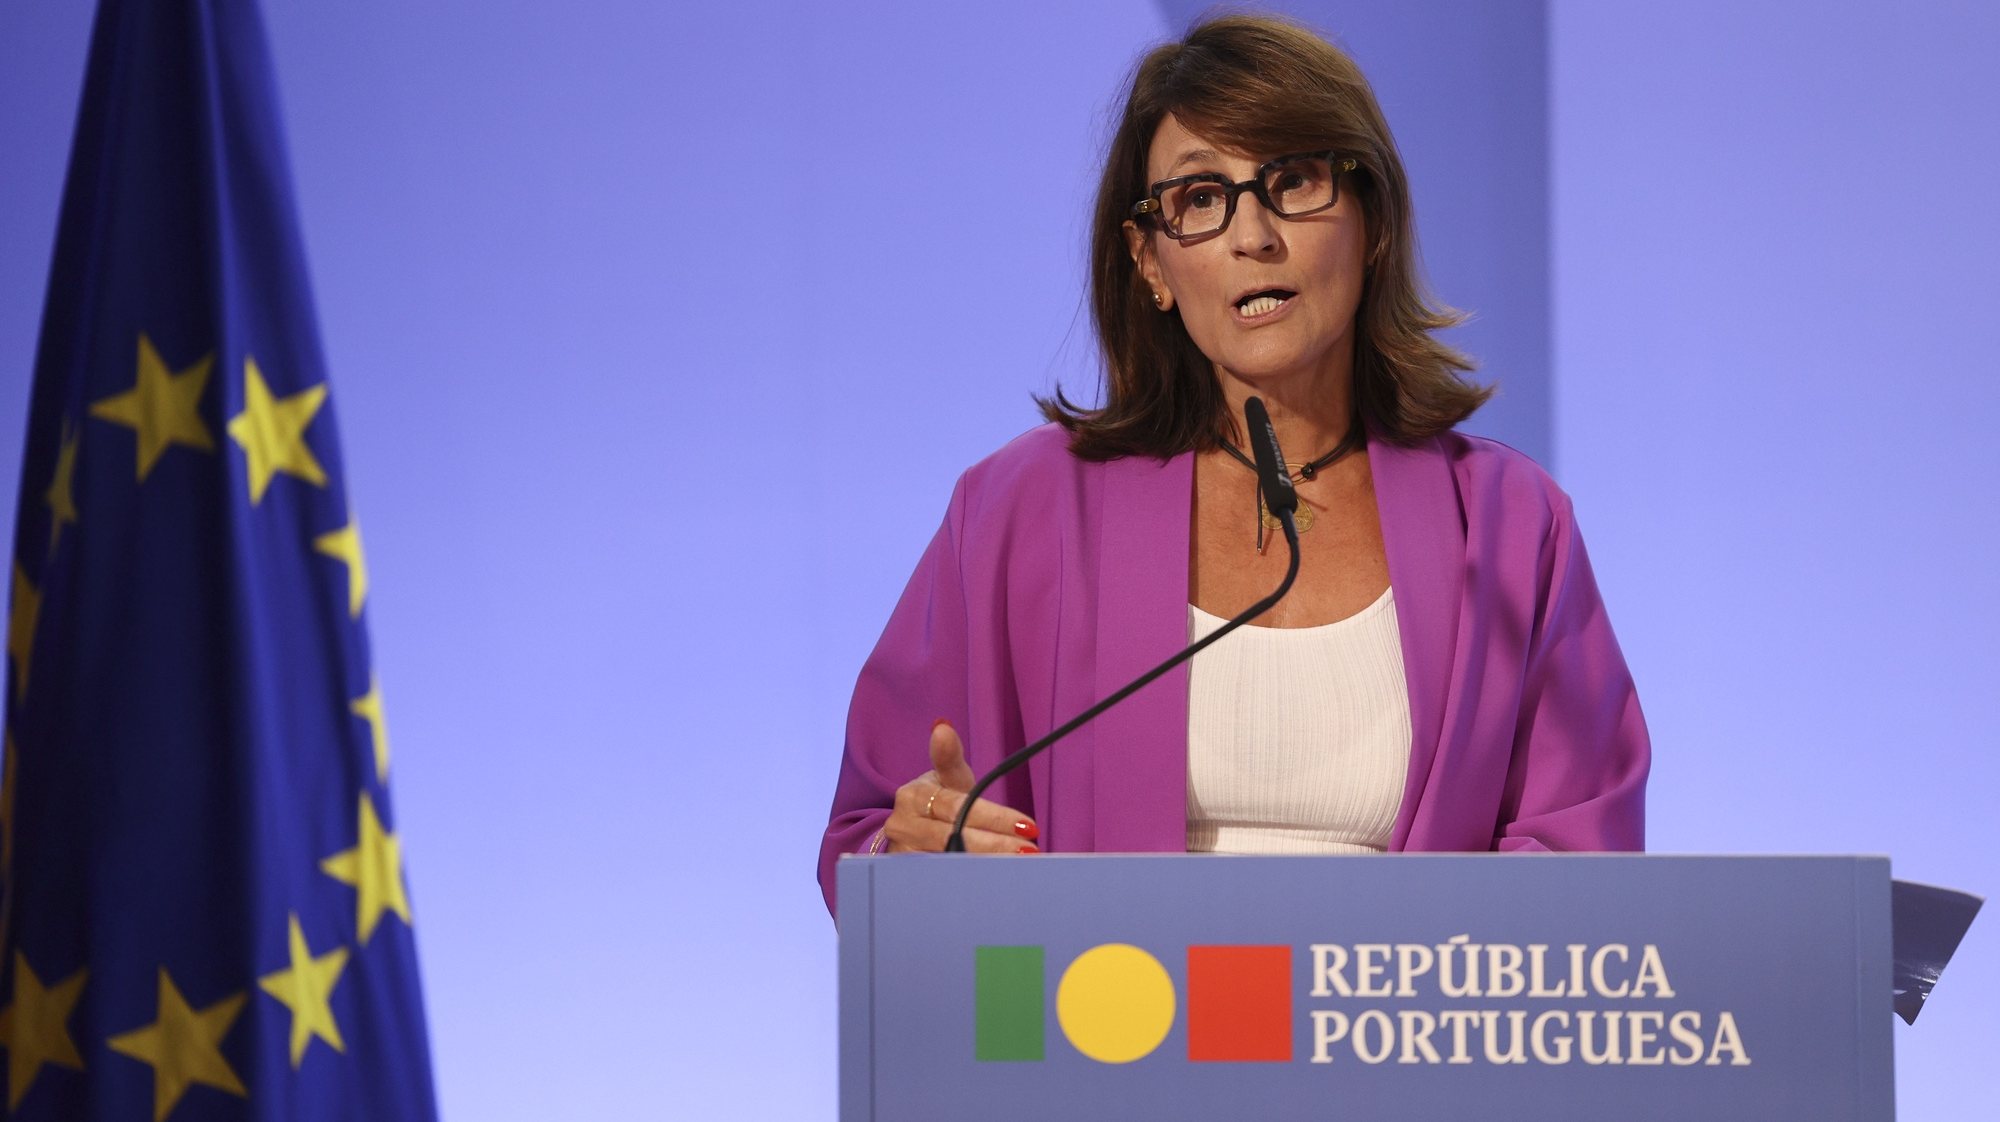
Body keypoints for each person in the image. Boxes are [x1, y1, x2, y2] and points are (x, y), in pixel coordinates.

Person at [818, 15, 1648, 916]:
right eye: (1201, 198)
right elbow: (873, 838)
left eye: (1293, 180)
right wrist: (917, 855)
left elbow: (1581, 854)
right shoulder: (1022, 510)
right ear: (1153, 263)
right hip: (1109, 1034)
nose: (1252, 234)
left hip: (1394, 1041)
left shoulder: (1509, 524)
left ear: (1369, 224)